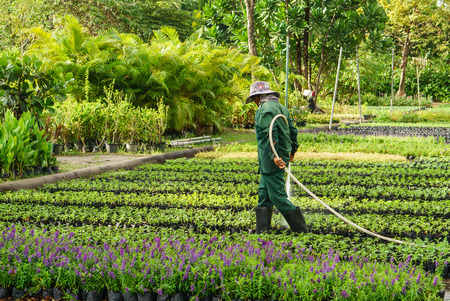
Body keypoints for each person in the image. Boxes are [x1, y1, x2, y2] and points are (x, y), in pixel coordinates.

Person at [245, 81, 308, 234]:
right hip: (280, 155)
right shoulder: (281, 108)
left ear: (258, 97)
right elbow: (292, 129)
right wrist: (292, 150)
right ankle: (262, 231)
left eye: (254, 99)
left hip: (272, 159)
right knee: (263, 194)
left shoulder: (263, 109)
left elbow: (268, 133)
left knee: (278, 196)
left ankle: (302, 232)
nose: (254, 102)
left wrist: (273, 156)